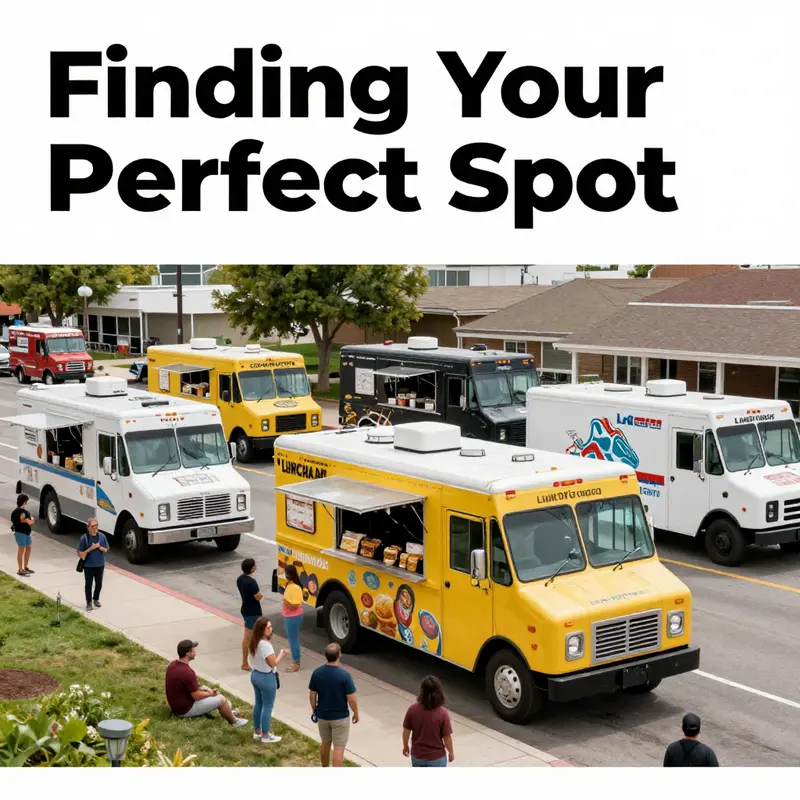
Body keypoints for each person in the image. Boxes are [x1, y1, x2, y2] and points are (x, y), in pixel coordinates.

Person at [165, 639, 248, 727]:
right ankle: (234, 722)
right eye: (193, 649)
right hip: (185, 710)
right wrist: (210, 693)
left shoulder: (172, 665)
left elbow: (185, 687)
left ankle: (229, 711)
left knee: (224, 700)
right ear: (188, 653)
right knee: (222, 700)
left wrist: (205, 691)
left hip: (177, 707)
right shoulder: (188, 672)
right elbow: (196, 696)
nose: (195, 651)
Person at [308, 643, 359, 767]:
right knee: (338, 749)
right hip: (340, 717)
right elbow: (351, 699)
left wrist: (315, 709)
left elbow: (312, 694)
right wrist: (356, 713)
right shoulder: (344, 675)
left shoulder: (317, 673)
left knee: (325, 743)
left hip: (323, 716)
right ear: (339, 655)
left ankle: (324, 767)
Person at [248, 617, 289, 743]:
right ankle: (265, 735)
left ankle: (257, 731)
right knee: (267, 706)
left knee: (259, 703)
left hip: (255, 674)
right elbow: (273, 663)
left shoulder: (254, 642)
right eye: (268, 627)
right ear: (262, 630)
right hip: (266, 678)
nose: (271, 629)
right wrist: (282, 653)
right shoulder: (266, 646)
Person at [402, 675, 454, 767]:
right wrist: (451, 752)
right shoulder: (443, 713)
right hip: (437, 758)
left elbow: (406, 731)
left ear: (422, 692)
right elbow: (447, 737)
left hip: (417, 756)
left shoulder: (412, 710)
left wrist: (405, 746)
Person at [77, 518, 109, 611]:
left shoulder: (102, 536)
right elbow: (80, 553)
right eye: (93, 526)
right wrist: (90, 548)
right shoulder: (84, 538)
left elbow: (106, 549)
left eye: (96, 526)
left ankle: (96, 599)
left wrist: (100, 548)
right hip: (88, 565)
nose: (95, 528)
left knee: (99, 583)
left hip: (100, 564)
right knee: (89, 584)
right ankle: (89, 602)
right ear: (88, 527)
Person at [237, 558, 263, 671]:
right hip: (253, 612)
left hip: (245, 609)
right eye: (255, 565)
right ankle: (245, 662)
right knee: (250, 638)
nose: (256, 566)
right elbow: (258, 596)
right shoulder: (251, 582)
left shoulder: (240, 579)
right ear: (252, 568)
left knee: (251, 637)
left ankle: (246, 661)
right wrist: (261, 595)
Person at [282, 564, 304, 672]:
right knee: (292, 639)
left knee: (293, 640)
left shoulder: (295, 587)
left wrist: (285, 601)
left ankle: (296, 662)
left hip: (293, 617)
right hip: (290, 616)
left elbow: (295, 605)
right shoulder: (290, 585)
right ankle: (295, 659)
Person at [11, 493, 35, 577]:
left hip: (21, 533)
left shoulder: (14, 512)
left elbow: (16, 522)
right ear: (24, 502)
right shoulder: (25, 512)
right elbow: (31, 522)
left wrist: (25, 520)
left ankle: (24, 568)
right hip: (23, 533)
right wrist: (30, 519)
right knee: (22, 550)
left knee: (26, 549)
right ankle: (21, 569)